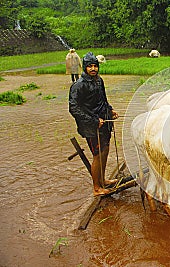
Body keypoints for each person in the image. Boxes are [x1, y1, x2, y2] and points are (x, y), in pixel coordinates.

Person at [69, 52, 118, 196]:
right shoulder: (78, 85)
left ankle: (102, 180)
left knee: (105, 150)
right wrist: (93, 120)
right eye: (89, 66)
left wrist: (110, 110)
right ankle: (96, 188)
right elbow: (74, 108)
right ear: (84, 68)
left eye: (95, 66)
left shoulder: (99, 80)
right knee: (97, 154)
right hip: (91, 126)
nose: (93, 69)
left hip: (104, 122)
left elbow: (103, 100)